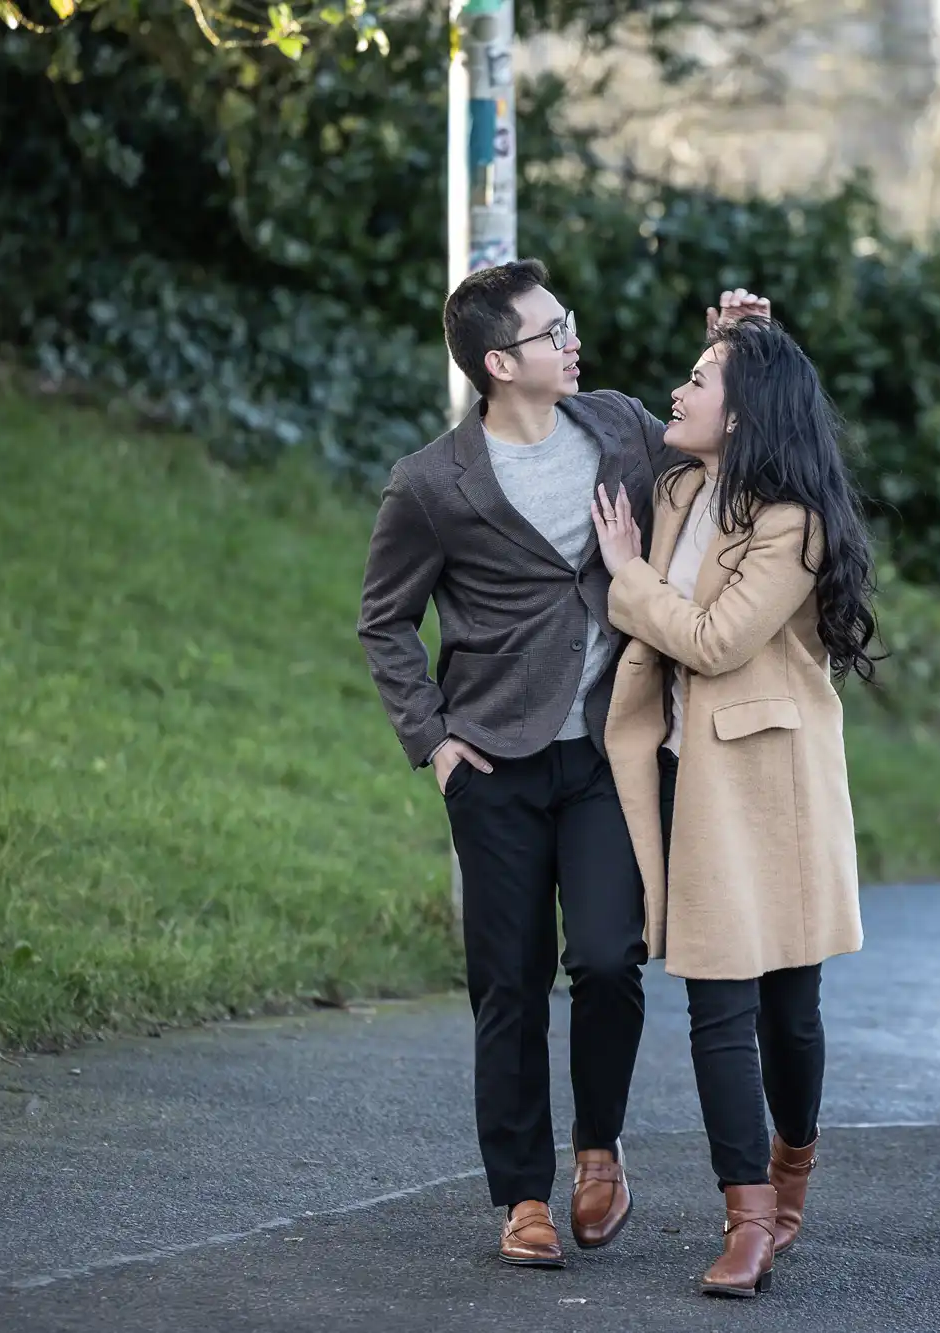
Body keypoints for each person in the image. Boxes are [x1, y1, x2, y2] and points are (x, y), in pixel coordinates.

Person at [357, 259, 770, 1269]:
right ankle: (520, 1197)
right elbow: (382, 620)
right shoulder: (430, 483)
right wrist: (435, 742)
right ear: (501, 363)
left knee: (603, 957)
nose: (570, 340)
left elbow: (720, 443)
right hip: (491, 765)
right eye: (551, 332)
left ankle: (598, 1149)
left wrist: (741, 343)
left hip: (602, 750)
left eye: (566, 324)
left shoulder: (620, 426)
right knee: (508, 981)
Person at [590, 316, 875, 1299]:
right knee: (715, 997)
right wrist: (732, 331)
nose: (678, 390)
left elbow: (714, 641)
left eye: (699, 378)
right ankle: (746, 1216)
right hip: (684, 773)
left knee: (788, 1012)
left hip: (775, 786)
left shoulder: (791, 522)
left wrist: (628, 580)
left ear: (744, 410)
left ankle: (792, 1161)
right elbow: (632, 423)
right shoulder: (676, 490)